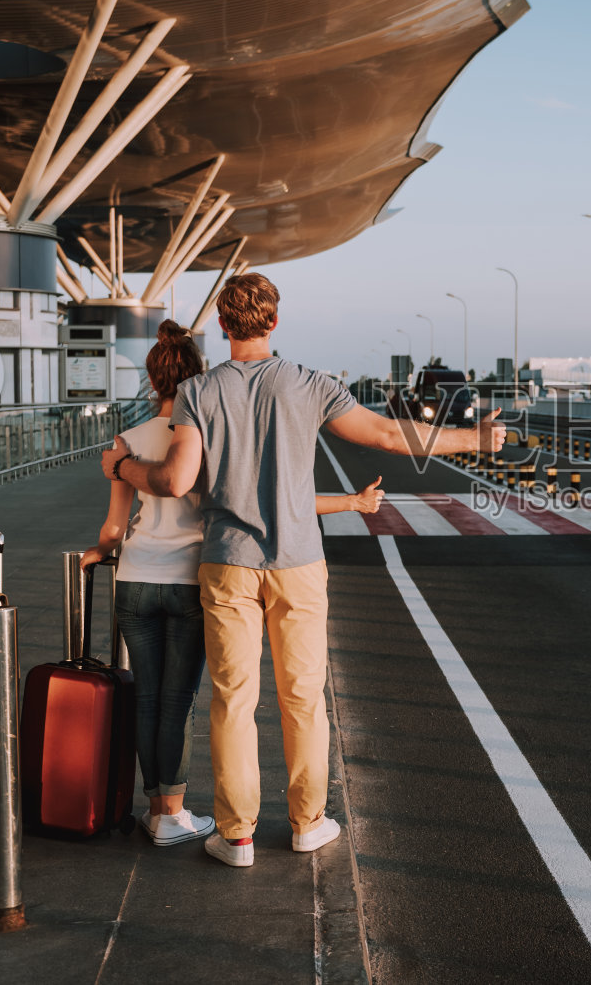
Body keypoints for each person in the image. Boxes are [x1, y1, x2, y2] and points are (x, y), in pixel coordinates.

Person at [101, 272, 504, 867]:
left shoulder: (199, 392)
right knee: (304, 697)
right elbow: (391, 434)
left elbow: (175, 481)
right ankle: (307, 823)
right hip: (298, 563)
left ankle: (236, 836)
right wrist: (476, 439)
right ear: (275, 321)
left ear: (221, 324)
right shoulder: (311, 384)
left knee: (234, 700)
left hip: (227, 563)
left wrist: (124, 470)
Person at [84, 318, 388, 847]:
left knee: (159, 698)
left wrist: (102, 547)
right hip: (197, 576)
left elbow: (114, 525)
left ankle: (175, 816)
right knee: (215, 699)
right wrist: (353, 502)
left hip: (136, 577)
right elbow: (263, 498)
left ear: (151, 379)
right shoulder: (201, 429)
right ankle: (277, 820)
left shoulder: (129, 439)